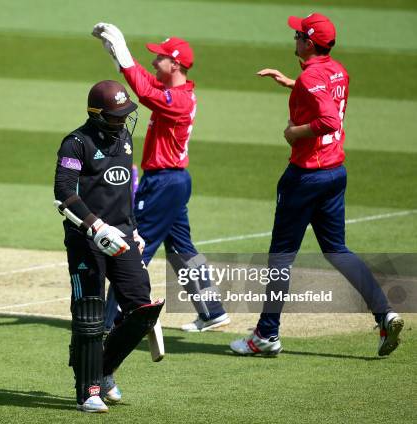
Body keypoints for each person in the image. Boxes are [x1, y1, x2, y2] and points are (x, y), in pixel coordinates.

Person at [229, 13, 404, 356]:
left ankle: (266, 335)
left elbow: (326, 118)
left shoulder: (312, 78)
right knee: (338, 250)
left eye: (298, 34)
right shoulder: (337, 70)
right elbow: (326, 95)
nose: (293, 38)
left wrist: (295, 132)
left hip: (305, 176)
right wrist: (293, 83)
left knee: (281, 257)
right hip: (335, 172)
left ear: (309, 42)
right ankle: (385, 314)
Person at [92, 23, 229, 332]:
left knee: (130, 247)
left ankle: (109, 321)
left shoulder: (177, 100)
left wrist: (123, 49)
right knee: (182, 249)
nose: (155, 62)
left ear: (175, 64)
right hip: (173, 181)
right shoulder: (176, 93)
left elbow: (142, 89)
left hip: (164, 183)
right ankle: (212, 310)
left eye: (160, 58)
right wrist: (116, 55)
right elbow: (145, 81)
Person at [54, 80, 164, 412]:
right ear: (97, 115)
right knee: (89, 314)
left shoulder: (126, 137)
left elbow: (125, 185)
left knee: (142, 310)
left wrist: (134, 229)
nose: (122, 121)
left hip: (124, 236)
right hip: (86, 238)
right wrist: (95, 225)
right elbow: (63, 192)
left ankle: (101, 370)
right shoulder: (75, 143)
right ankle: (87, 390)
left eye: (125, 114)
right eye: (116, 116)